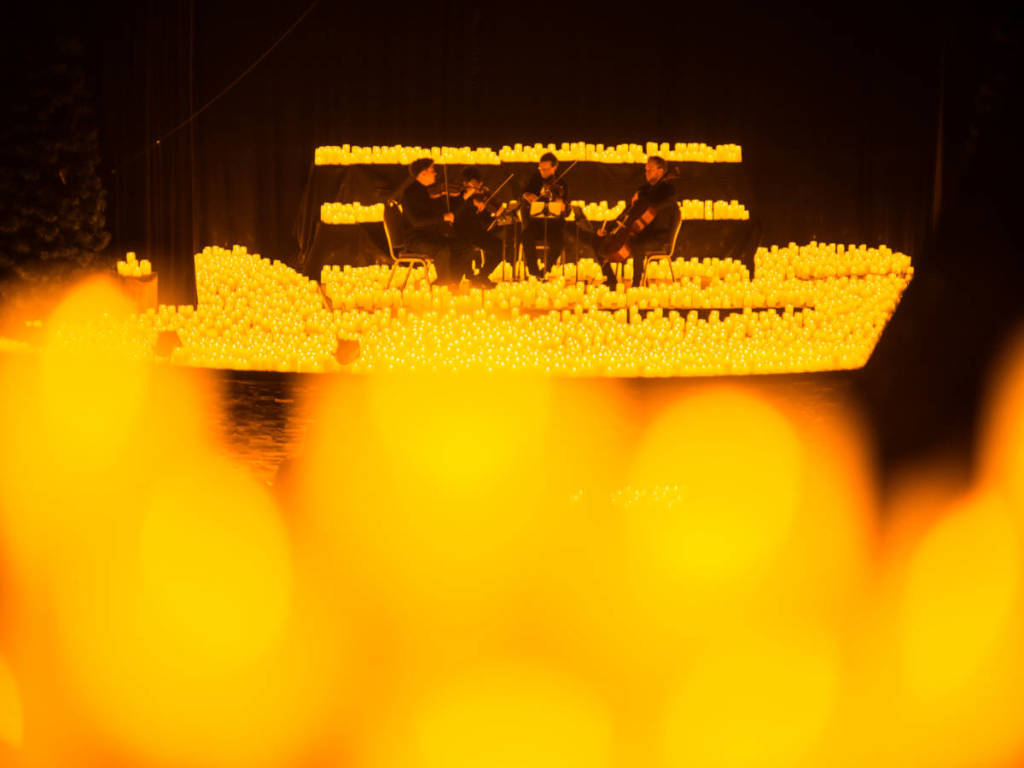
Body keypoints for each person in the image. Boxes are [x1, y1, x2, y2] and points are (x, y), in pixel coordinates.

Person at [598, 155, 678, 289]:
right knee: (600, 243)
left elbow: (663, 204)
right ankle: (611, 280)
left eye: (650, 170)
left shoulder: (668, 190)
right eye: (645, 169)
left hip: (658, 235)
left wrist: (645, 201)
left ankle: (636, 286)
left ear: (660, 171)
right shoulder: (643, 189)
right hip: (638, 232)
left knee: (638, 246)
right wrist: (610, 228)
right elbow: (627, 214)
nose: (646, 173)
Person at [400, 158, 473, 286]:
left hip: (432, 236)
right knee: (442, 250)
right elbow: (416, 222)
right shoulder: (410, 193)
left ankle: (451, 282)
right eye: (432, 170)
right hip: (415, 238)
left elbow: (447, 212)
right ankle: (444, 282)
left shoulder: (431, 191)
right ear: (423, 173)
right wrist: (442, 218)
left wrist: (464, 197)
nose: (435, 173)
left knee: (465, 247)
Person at [520, 151, 568, 278]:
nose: (543, 172)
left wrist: (561, 204)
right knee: (526, 236)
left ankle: (546, 269)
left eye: (546, 169)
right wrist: (528, 195)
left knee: (558, 242)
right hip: (536, 223)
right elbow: (524, 192)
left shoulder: (561, 183)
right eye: (541, 169)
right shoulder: (535, 178)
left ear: (555, 167)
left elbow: (566, 208)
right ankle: (533, 270)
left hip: (553, 224)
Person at [453, 167, 502, 282]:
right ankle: (470, 276)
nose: (477, 189)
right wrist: (469, 200)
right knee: (466, 247)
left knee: (499, 246)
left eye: (478, 185)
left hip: (476, 231)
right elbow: (454, 211)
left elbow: (494, 212)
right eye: (473, 185)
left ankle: (482, 275)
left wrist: (491, 208)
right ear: (464, 183)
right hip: (459, 232)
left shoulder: (482, 194)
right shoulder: (458, 195)